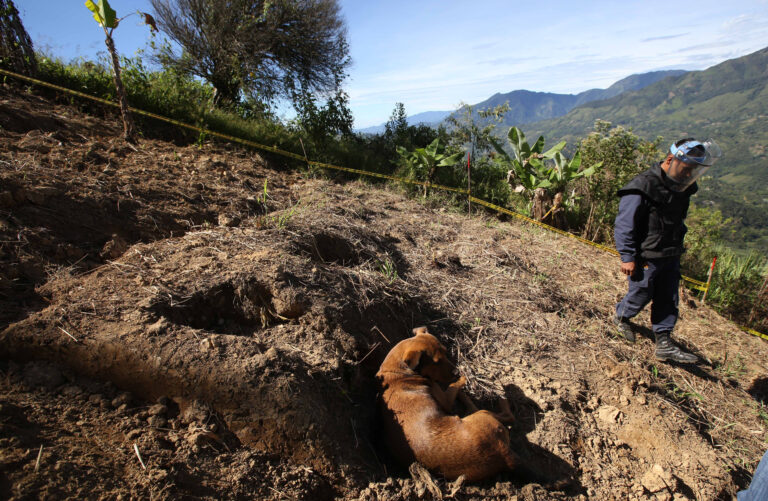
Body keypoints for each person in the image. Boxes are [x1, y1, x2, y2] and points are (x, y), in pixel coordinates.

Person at [612, 138, 722, 363]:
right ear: (671, 159)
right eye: (685, 168)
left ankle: (663, 341)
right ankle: (621, 317)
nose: (688, 174)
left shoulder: (682, 187)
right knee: (642, 291)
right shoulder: (642, 186)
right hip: (647, 255)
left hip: (670, 252)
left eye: (693, 170)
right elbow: (625, 224)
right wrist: (627, 256)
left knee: (668, 297)